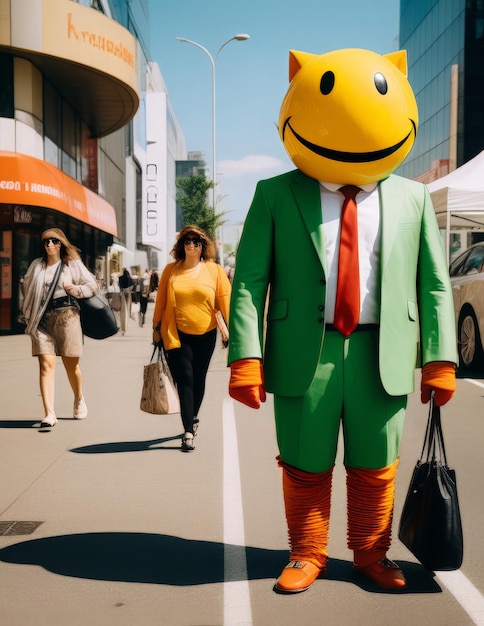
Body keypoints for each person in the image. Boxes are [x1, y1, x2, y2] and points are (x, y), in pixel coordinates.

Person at [227, 48, 457, 594]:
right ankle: (306, 552)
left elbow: (434, 283)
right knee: (305, 461)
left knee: (376, 463)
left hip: (386, 350)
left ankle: (370, 554)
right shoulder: (276, 194)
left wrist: (440, 357)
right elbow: (248, 280)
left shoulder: (414, 198)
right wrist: (246, 355)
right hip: (305, 350)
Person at [152, 226, 231, 452]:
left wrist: (232, 330)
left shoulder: (214, 271)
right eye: (187, 240)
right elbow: (161, 301)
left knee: (199, 379)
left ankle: (193, 415)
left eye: (197, 241)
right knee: (185, 380)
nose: (192, 244)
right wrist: (156, 327)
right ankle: (188, 431)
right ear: (181, 245)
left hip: (206, 334)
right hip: (176, 334)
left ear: (203, 246)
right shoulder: (171, 271)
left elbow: (226, 300)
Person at [20, 228, 99, 429]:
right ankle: (49, 413)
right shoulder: (37, 265)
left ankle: (79, 397)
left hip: (68, 317)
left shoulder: (71, 264)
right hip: (42, 319)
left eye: (54, 241)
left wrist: (75, 289)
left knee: (71, 366)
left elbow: (92, 285)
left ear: (61, 244)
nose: (49, 245)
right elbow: (26, 289)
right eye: (46, 242)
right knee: (46, 365)